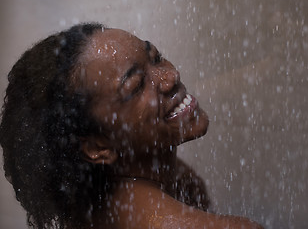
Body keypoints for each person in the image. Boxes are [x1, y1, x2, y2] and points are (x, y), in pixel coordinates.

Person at [0, 23, 263, 229]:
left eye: (156, 57)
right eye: (136, 85)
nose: (171, 76)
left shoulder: (91, 206)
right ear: (96, 146)